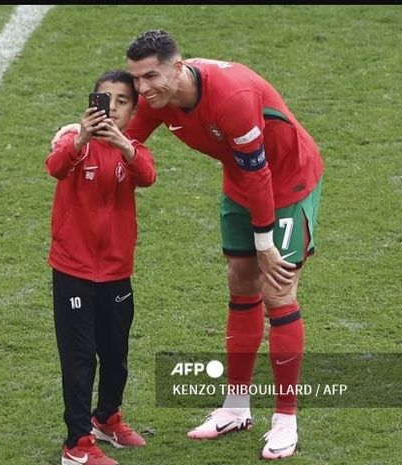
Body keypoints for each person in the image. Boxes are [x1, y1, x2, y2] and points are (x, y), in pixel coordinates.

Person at [53, 29, 323, 460]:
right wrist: (77, 134)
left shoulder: (231, 97)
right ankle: (236, 407)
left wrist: (265, 242)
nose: (142, 90)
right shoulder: (161, 100)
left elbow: (261, 173)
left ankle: (285, 420)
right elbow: (129, 139)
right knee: (240, 282)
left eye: (151, 77)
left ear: (179, 69)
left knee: (278, 289)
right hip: (240, 183)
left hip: (286, 181)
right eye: (137, 79)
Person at [45, 69, 157, 465]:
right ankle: (76, 444)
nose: (113, 108)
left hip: (116, 271)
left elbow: (147, 175)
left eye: (122, 101)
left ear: (132, 111)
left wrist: (124, 146)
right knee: (79, 358)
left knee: (115, 352)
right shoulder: (71, 138)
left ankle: (106, 418)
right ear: (93, 103)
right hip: (73, 270)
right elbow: (55, 166)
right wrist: (81, 138)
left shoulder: (134, 146)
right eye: (105, 99)